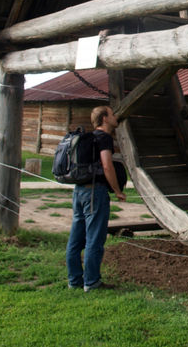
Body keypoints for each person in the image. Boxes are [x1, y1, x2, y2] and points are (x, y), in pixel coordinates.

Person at [66, 105, 126, 291]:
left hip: (79, 191)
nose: (116, 116)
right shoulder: (104, 138)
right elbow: (107, 166)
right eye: (112, 113)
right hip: (95, 193)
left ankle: (74, 280)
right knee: (94, 238)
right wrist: (117, 190)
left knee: (76, 239)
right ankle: (91, 282)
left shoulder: (87, 138)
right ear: (105, 119)